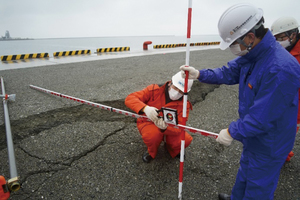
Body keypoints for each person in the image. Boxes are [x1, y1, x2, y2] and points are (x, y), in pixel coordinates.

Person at [180, 3, 300, 200]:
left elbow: (262, 117)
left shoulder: (281, 68)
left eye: (234, 42)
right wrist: (200, 74)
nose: (233, 49)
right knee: (245, 173)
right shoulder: (253, 55)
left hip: (270, 141)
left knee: (258, 187)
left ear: (250, 37)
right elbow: (228, 72)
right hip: (253, 137)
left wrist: (231, 131)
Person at [125, 72, 194, 163]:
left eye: (181, 91)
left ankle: (172, 149)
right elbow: (130, 98)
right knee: (152, 137)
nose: (177, 92)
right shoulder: (153, 89)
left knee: (185, 140)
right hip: (149, 122)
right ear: (170, 83)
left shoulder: (185, 105)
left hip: (170, 128)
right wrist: (145, 108)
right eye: (175, 87)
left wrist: (165, 128)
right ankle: (151, 152)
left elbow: (180, 126)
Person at [271, 16, 300, 162]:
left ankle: (283, 156)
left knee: (288, 129)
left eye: (281, 38)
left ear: (293, 35)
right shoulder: (286, 49)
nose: (278, 42)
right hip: (284, 98)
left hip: (296, 101)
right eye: (275, 38)